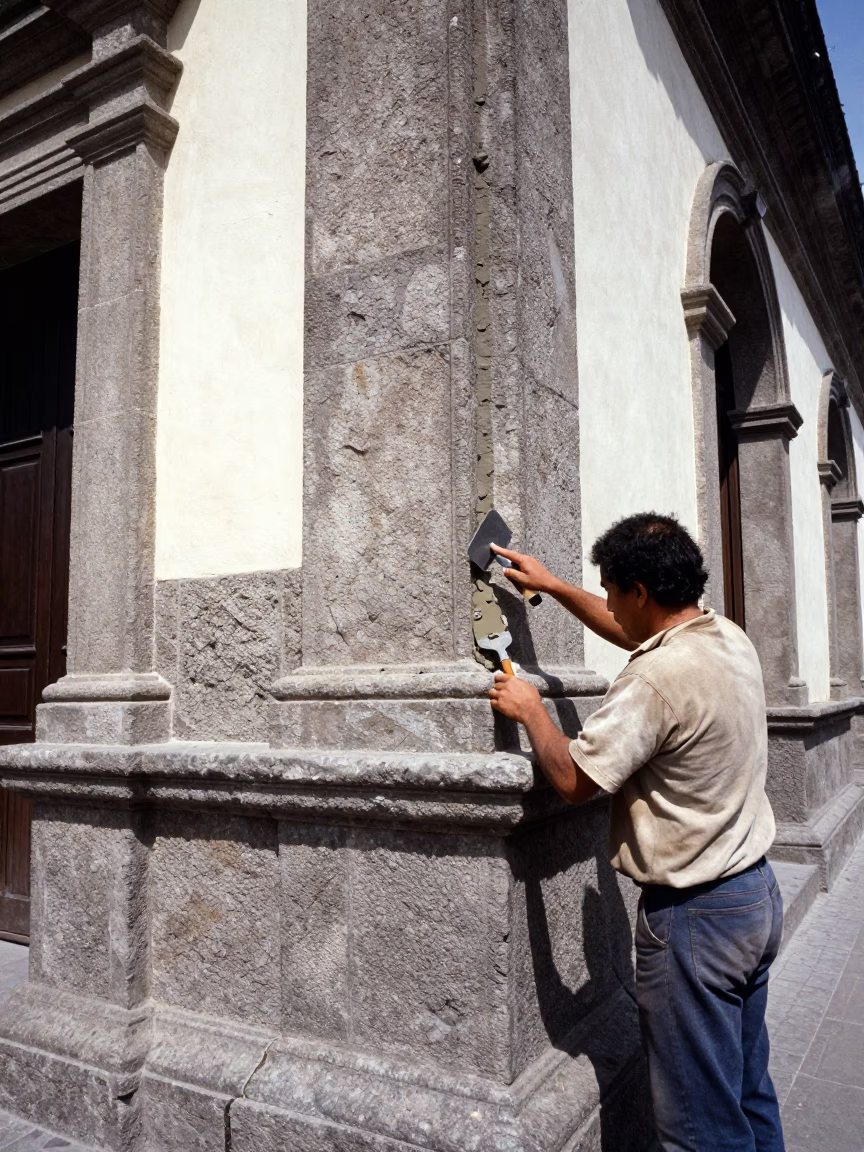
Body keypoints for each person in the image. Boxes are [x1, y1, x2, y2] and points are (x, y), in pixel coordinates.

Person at [489, 512, 785, 1152]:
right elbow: (635, 635)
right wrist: (558, 588)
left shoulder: (656, 681)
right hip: (753, 898)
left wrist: (533, 710)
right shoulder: (724, 637)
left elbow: (574, 781)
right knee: (744, 1091)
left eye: (613, 589)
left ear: (640, 592)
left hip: (697, 921)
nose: (614, 603)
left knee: (699, 1127)